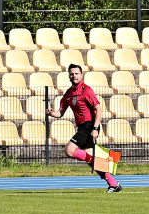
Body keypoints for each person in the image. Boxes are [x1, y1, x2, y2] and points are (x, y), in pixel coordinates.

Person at [47, 63, 122, 192]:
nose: (74, 76)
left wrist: (95, 128)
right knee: (91, 161)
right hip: (82, 127)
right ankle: (114, 184)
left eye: (76, 73)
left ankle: (99, 161)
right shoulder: (69, 93)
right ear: (69, 76)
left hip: (88, 126)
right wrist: (51, 113)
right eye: (72, 74)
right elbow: (60, 112)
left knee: (70, 150)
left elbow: (98, 109)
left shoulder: (86, 90)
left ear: (81, 75)